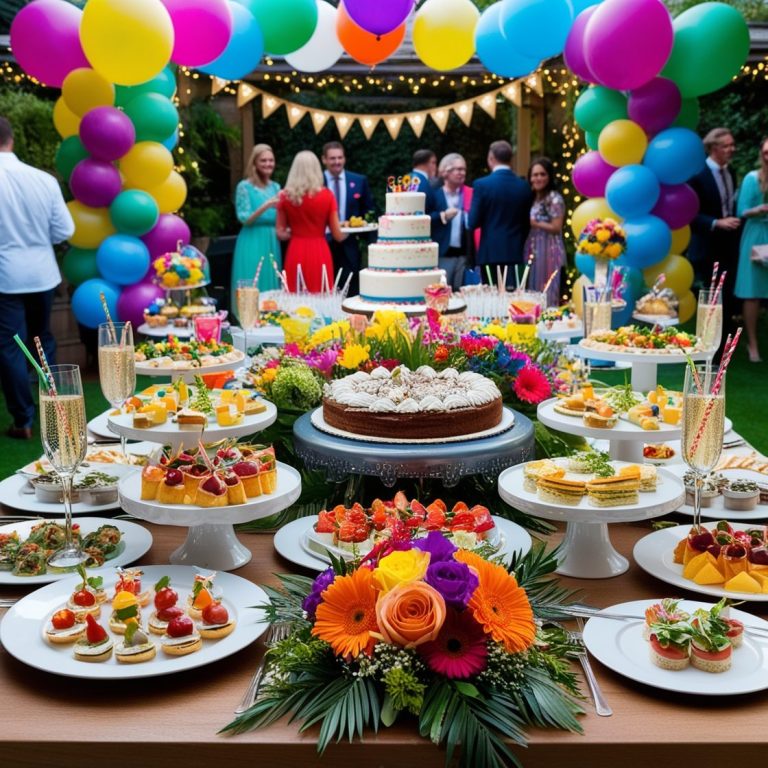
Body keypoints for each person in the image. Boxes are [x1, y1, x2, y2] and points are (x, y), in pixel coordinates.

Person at [0, 115, 74, 439]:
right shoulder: (43, 179)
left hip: (5, 276)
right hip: (42, 272)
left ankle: (23, 420)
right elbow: (65, 231)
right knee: (43, 340)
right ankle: (55, 413)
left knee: (9, 346)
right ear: (11, 140)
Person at [688, 127, 742, 348]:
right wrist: (715, 222)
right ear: (713, 148)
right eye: (726, 145)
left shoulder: (731, 172)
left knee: (727, 296)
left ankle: (724, 345)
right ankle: (706, 344)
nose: (732, 149)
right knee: (709, 298)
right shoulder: (698, 176)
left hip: (728, 245)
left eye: (732, 145)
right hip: (707, 246)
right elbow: (691, 214)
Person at [277, 150, 345, 293]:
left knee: (294, 301)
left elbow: (280, 233)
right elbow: (337, 235)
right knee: (321, 299)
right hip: (319, 252)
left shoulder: (285, 196)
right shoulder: (327, 196)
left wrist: (294, 232)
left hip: (295, 250)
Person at [468, 140, 533, 287]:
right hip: (515, 251)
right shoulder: (523, 186)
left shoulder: (482, 185)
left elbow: (472, 222)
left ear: (491, 159)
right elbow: (526, 224)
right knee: (513, 299)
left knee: (492, 300)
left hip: (490, 253)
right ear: (511, 159)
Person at [321, 141, 374, 296]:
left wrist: (364, 225)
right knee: (325, 287)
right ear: (324, 159)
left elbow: (369, 210)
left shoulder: (359, 180)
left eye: (340, 157)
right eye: (332, 158)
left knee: (350, 288)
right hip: (323, 242)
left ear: (344, 158)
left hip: (349, 243)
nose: (337, 162)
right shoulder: (316, 181)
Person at [231, 144, 281, 306]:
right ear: (255, 163)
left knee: (271, 280)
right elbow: (244, 218)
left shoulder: (276, 187)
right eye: (263, 160)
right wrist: (266, 205)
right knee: (253, 279)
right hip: (252, 239)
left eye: (271, 160)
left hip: (272, 240)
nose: (268, 164)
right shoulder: (244, 187)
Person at [735, 136, 768, 363]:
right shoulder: (751, 178)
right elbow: (742, 211)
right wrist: (760, 209)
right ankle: (752, 343)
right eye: (766, 152)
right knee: (752, 292)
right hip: (756, 234)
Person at [524, 157, 567, 307]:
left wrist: (535, 223)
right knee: (530, 289)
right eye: (535, 175)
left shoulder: (554, 198)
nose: (538, 178)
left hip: (549, 250)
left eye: (542, 174)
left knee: (548, 289)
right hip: (533, 248)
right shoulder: (531, 198)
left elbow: (556, 227)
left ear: (549, 176)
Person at [431, 153, 475, 292]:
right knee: (441, 293)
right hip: (443, 254)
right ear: (445, 171)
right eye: (458, 169)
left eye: (464, 170)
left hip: (464, 255)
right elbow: (425, 219)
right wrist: (443, 215)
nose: (462, 173)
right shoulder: (435, 195)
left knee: (461, 294)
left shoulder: (470, 194)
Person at [411, 148, 439, 213]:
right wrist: (443, 215)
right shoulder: (424, 183)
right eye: (433, 163)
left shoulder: (405, 178)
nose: (435, 167)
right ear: (424, 164)